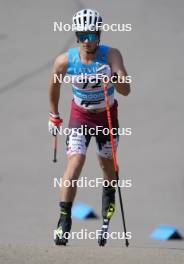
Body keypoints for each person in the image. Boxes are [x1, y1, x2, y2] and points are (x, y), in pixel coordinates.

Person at [48, 8, 130, 245]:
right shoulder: (65, 61)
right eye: (83, 35)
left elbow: (126, 89)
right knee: (75, 163)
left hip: (106, 117)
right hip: (80, 117)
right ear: (77, 35)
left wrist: (113, 78)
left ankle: (108, 198)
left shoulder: (111, 55)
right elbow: (54, 85)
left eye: (93, 35)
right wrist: (53, 114)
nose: (88, 40)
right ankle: (64, 219)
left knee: (107, 168)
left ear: (99, 35)